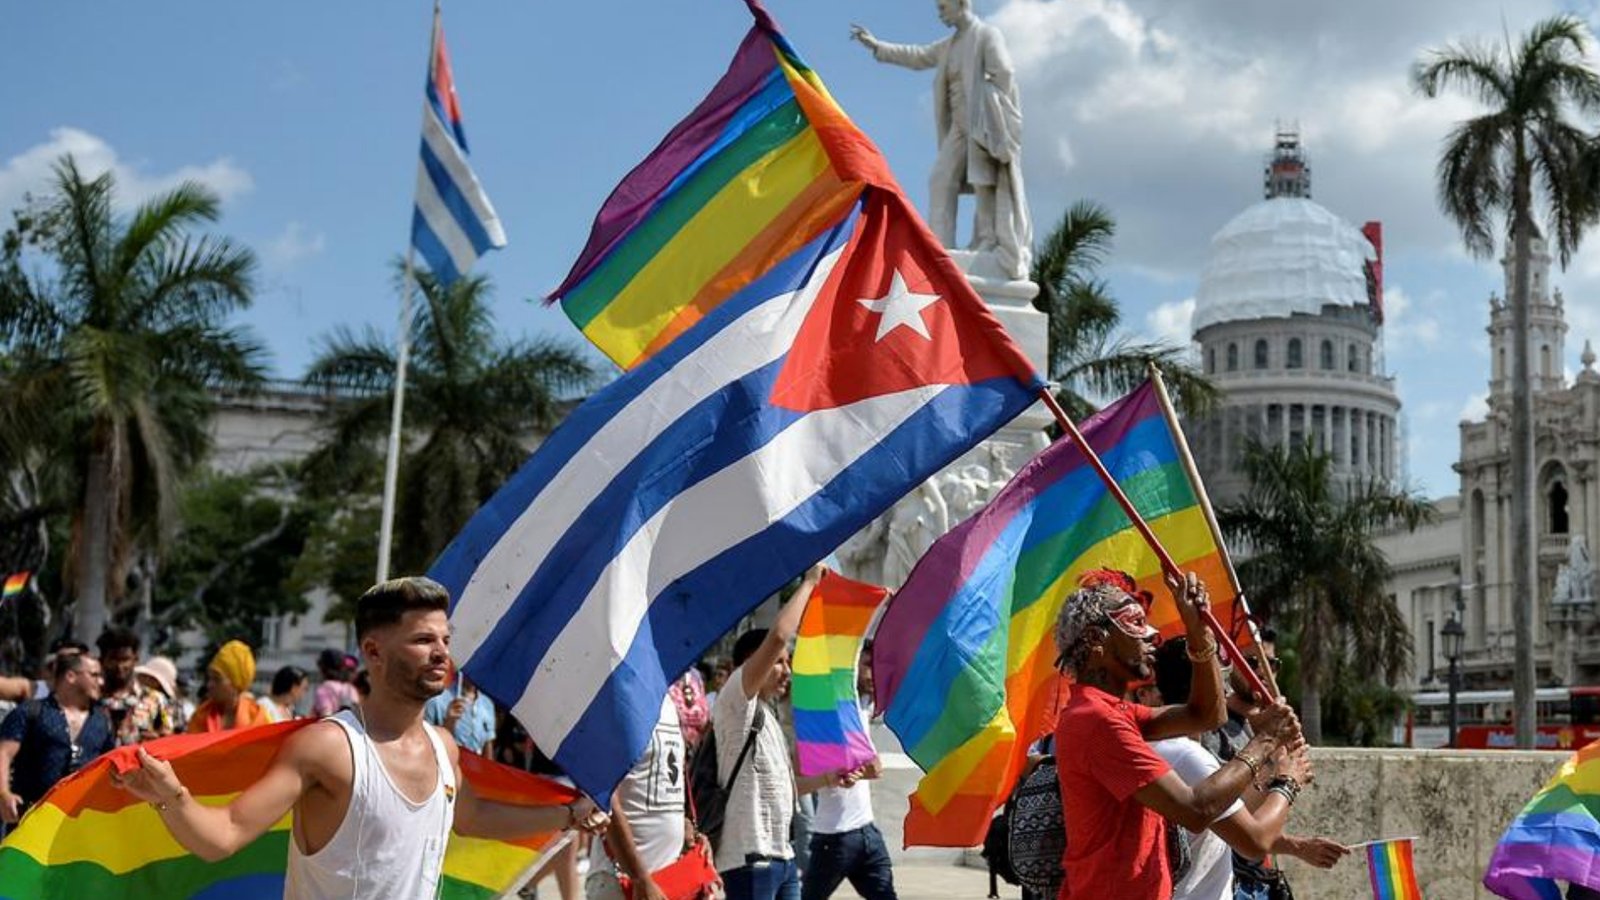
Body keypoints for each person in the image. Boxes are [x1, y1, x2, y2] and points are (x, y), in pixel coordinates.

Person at [112, 576, 610, 899]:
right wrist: (171, 798)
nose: (441, 653)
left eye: (445, 640)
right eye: (422, 640)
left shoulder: (444, 747)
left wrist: (567, 815)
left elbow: (472, 817)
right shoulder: (329, 749)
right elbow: (223, 836)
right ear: (373, 651)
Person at [1051, 570, 1303, 899]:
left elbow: (1207, 714)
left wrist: (1199, 632)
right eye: (1134, 624)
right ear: (1096, 641)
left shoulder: (1109, 711)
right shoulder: (1097, 719)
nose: (1151, 638)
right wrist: (1267, 743)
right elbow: (1195, 810)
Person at [850, 0, 1032, 280]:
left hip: (981, 121)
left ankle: (986, 239)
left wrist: (993, 110)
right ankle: (939, 246)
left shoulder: (986, 35)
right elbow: (918, 55)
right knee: (941, 178)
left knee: (984, 181)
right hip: (959, 126)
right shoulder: (950, 45)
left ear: (961, 5)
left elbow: (1004, 72)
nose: (940, 14)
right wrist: (877, 46)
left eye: (943, 8)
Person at [1147, 639, 1332, 899]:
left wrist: (1275, 763)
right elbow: (1255, 842)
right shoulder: (1187, 756)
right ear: (1203, 689)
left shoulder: (1165, 748)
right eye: (1219, 682)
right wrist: (1288, 783)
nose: (1225, 692)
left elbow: (1238, 809)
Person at [1199, 628, 1347, 898]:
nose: (1263, 672)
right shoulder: (1213, 728)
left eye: (1271, 663)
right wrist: (1280, 771)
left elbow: (1259, 823)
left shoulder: (1256, 726)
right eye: (1251, 662)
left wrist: (1299, 847)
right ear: (1230, 664)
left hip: (1259, 881)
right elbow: (1223, 814)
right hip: (1227, 882)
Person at [713, 565, 827, 900]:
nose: (786, 671)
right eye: (779, 662)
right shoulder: (736, 700)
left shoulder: (770, 717)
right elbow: (778, 635)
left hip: (784, 857)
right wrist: (808, 584)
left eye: (788, 663)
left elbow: (790, 788)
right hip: (750, 859)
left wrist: (832, 778)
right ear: (752, 662)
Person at [800, 647, 896, 900]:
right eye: (867, 665)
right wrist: (831, 777)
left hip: (867, 833)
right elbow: (795, 785)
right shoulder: (822, 719)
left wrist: (855, 773)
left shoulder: (862, 709)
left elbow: (875, 769)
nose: (872, 673)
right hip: (833, 837)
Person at [587, 695, 690, 900]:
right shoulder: (614, 697)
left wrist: (685, 825)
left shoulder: (668, 702)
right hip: (623, 884)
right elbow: (605, 797)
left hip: (667, 878)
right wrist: (640, 878)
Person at [0, 652, 114, 825]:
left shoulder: (102, 721)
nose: (101, 682)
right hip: (29, 818)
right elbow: (4, 753)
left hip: (79, 824)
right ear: (71, 676)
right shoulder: (31, 711)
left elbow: (109, 765)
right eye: (94, 675)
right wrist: (3, 794)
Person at [98, 626, 173, 744]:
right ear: (102, 660)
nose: (120, 666)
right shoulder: (91, 700)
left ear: (135, 659)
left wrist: (157, 741)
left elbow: (170, 739)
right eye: (113, 659)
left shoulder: (155, 699)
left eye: (125, 659)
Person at [187, 640, 272, 733]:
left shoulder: (258, 719)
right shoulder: (200, 717)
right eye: (209, 678)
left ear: (236, 683)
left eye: (217, 679)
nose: (209, 685)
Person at [424, 673, 496, 755]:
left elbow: (488, 743)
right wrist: (450, 721)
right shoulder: (436, 699)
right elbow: (426, 741)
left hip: (475, 764)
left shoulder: (487, 704)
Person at [311, 648, 359, 717]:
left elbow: (325, 715)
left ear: (322, 668)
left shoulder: (324, 689)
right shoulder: (350, 688)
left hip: (331, 726)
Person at [670, 670, 710, 750]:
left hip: (696, 745)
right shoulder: (668, 680)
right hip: (675, 740)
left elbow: (704, 718)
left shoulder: (695, 676)